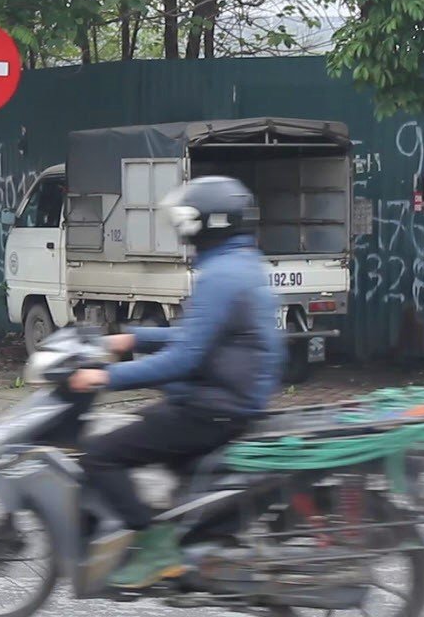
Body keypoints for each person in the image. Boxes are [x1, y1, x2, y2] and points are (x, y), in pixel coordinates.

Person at [68, 176, 284, 590]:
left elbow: (184, 359)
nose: (183, 232)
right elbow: (201, 338)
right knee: (149, 432)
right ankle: (186, 534)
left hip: (213, 407)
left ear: (208, 224)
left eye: (187, 222)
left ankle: (155, 549)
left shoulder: (220, 276)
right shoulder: (238, 264)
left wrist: (104, 376)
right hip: (222, 400)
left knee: (100, 454)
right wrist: (131, 338)